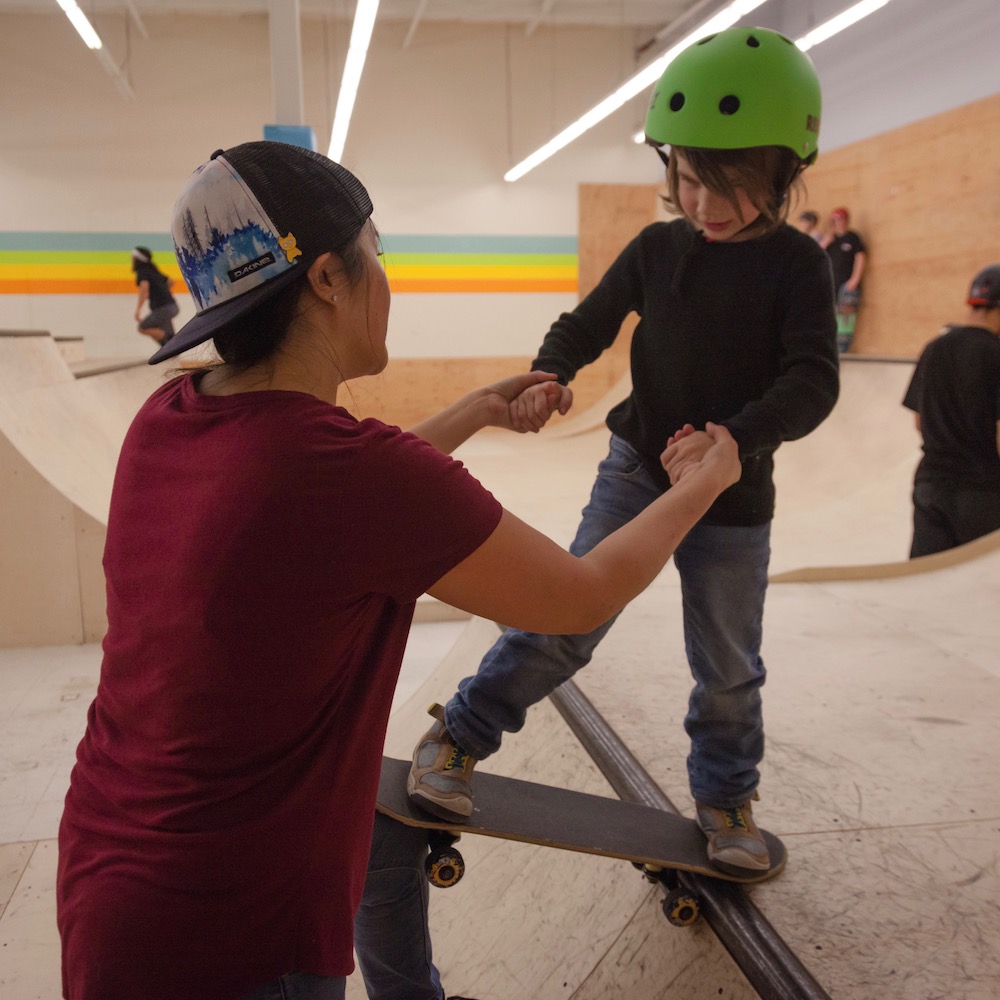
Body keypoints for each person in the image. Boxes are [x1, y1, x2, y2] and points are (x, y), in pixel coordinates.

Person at [56, 141, 741, 1000]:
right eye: (376, 253)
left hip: (111, 877)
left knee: (381, 843)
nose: (387, 278)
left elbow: (322, 510)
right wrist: (705, 484)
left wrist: (473, 412)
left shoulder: (169, 417)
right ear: (327, 280)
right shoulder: (355, 473)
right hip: (233, 928)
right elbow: (581, 596)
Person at [408, 26, 839, 878]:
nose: (705, 205)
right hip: (639, 470)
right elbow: (586, 324)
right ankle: (458, 736)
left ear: (786, 175)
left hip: (731, 497)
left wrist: (735, 440)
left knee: (726, 667)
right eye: (688, 178)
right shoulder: (656, 248)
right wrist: (552, 374)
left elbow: (814, 380)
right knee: (564, 619)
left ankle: (725, 800)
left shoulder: (799, 267)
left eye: (734, 187)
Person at [902, 263, 1000, 557]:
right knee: (977, 593)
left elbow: (919, 421)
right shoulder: (996, 354)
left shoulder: (934, 348)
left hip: (930, 485)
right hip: (982, 492)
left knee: (927, 583)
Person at [820, 207, 866, 352]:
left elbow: (860, 257)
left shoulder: (852, 237)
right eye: (835, 220)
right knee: (827, 317)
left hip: (847, 285)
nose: (838, 223)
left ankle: (842, 349)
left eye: (841, 219)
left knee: (845, 319)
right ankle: (829, 348)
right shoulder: (830, 240)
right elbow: (816, 258)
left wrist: (855, 279)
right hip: (830, 285)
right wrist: (825, 243)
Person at [132, 245, 180, 350]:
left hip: (162, 308)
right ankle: (170, 347)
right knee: (166, 332)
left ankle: (170, 343)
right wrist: (163, 292)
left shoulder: (142, 271)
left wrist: (138, 310)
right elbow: (171, 281)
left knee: (143, 327)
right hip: (171, 305)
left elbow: (144, 288)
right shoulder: (153, 269)